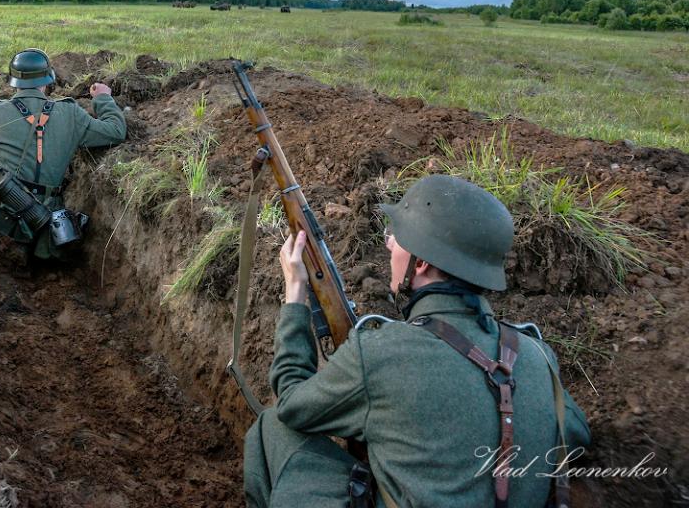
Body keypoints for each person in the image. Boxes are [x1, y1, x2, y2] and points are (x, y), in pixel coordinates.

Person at [244, 174, 591, 508]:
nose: (389, 242)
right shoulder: (536, 354)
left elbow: (291, 404)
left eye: (398, 236)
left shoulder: (382, 353)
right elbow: (576, 432)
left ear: (420, 262)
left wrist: (295, 296)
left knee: (272, 428)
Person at [0, 48, 126, 261]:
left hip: (7, 214)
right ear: (48, 80)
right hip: (50, 221)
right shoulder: (70, 112)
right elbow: (116, 131)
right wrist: (103, 98)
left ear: (14, 82)